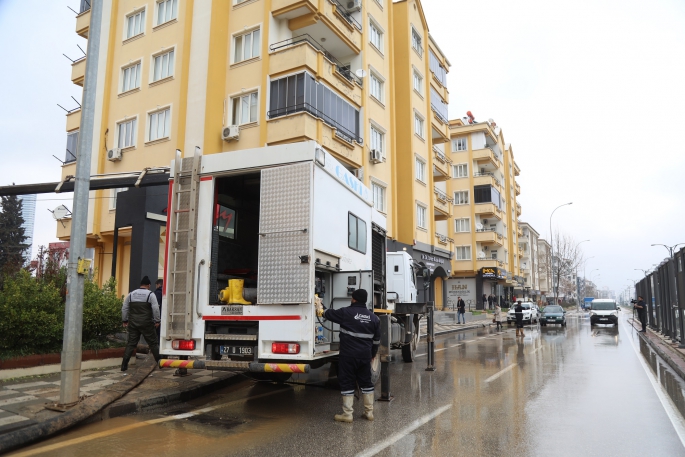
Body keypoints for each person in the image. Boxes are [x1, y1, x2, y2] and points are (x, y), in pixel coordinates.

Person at [318, 289, 380, 423]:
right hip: (364, 356)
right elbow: (376, 341)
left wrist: (319, 305)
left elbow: (327, 314)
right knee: (366, 382)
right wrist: (372, 354)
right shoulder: (374, 318)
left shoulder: (345, 312)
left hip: (348, 356)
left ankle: (347, 414)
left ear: (354, 299)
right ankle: (369, 412)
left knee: (347, 381)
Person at [121, 276, 161, 372]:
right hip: (147, 324)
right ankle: (160, 363)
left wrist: (125, 320)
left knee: (131, 344)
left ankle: (124, 365)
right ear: (148, 285)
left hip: (133, 324)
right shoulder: (150, 294)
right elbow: (155, 308)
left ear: (140, 285)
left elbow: (124, 308)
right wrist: (157, 320)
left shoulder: (131, 294)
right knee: (153, 344)